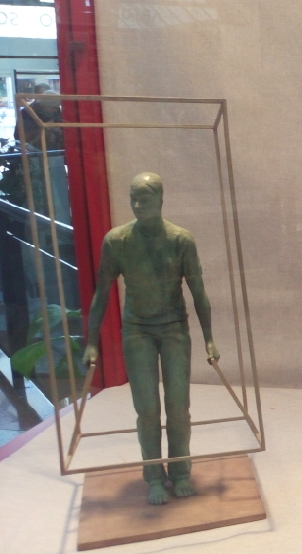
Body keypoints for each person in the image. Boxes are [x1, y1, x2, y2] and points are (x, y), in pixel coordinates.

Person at [83, 172, 219, 504]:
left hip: (174, 329)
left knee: (178, 407)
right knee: (146, 409)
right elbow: (101, 294)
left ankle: (181, 472)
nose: (138, 205)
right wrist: (91, 342)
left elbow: (198, 292)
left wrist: (209, 338)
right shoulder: (117, 241)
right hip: (138, 330)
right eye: (133, 198)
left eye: (144, 198)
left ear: (160, 199)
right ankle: (154, 477)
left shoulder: (180, 240)